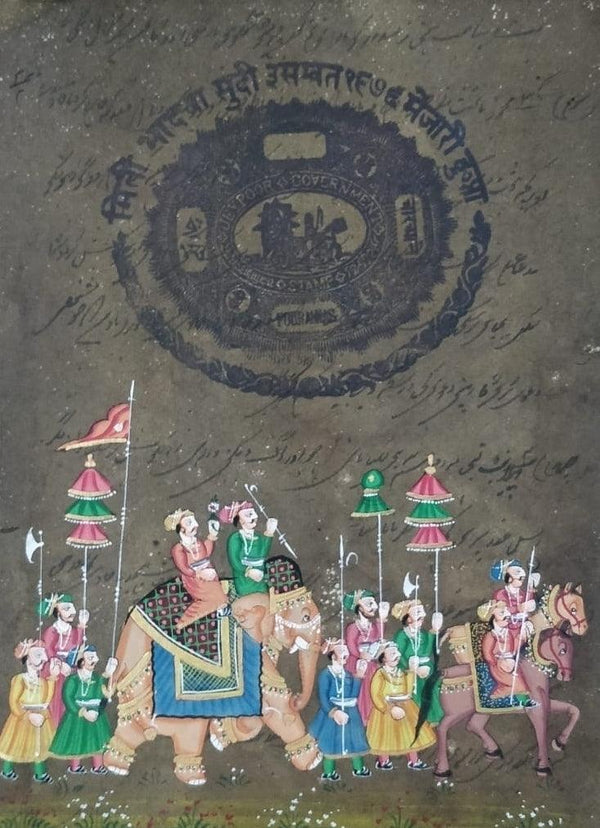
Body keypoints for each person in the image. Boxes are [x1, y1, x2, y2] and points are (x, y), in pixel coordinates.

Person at [366, 641, 436, 771]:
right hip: (386, 709)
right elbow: (375, 695)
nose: (397, 655)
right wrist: (389, 708)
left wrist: (412, 672)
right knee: (385, 735)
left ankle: (414, 760)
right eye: (392, 653)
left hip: (405, 706)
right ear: (383, 658)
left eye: (397, 653)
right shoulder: (380, 674)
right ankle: (383, 760)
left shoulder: (401, 672)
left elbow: (408, 690)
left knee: (410, 733)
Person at [49, 644, 118, 774]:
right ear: (81, 661)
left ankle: (98, 766)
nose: (95, 660)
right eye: (91, 657)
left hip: (95, 713)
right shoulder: (73, 680)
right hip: (77, 715)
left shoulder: (96, 678)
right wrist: (82, 712)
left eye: (95, 657)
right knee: (77, 740)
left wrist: (108, 673)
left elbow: (101, 690)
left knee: (97, 740)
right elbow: (68, 698)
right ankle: (75, 766)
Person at [308, 639, 371, 782]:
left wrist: (358, 677)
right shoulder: (326, 674)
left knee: (354, 740)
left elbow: (353, 694)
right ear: (332, 655)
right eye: (341, 650)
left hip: (350, 711)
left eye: (346, 650)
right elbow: (323, 697)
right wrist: (334, 712)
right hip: (332, 714)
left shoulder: (347, 674)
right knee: (330, 743)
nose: (345, 653)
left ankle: (359, 768)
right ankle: (329, 772)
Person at [0, 639, 60, 783]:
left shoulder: (43, 681)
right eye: (39, 655)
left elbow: (46, 700)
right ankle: (7, 770)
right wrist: (27, 715)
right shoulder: (19, 679)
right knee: (15, 745)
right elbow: (14, 702)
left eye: (44, 655)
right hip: (22, 719)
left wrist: (52, 678)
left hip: (40, 717)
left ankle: (40, 773)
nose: (44, 659)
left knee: (39, 745)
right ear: (27, 658)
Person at [164, 508, 230, 633]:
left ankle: (219, 606)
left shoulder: (197, 542)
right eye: (189, 523)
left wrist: (211, 536)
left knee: (217, 592)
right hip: (194, 579)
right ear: (180, 528)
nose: (196, 525)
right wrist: (198, 574)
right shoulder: (179, 548)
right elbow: (184, 568)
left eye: (194, 521)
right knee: (217, 597)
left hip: (209, 574)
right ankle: (183, 622)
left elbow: (206, 553)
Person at [343, 589, 389, 743]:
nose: (374, 606)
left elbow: (380, 637)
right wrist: (362, 655)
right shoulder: (353, 627)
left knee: (374, 694)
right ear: (359, 607)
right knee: (359, 696)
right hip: (356, 666)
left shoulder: (373, 626)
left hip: (371, 666)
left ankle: (373, 729)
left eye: (374, 603)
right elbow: (351, 646)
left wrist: (382, 618)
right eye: (369, 603)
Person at [392, 598, 444, 728]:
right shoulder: (402, 635)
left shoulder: (423, 634)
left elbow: (427, 651)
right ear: (408, 618)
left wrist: (434, 631)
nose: (423, 615)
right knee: (418, 691)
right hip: (409, 670)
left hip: (426, 667)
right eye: (417, 613)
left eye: (422, 612)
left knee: (433, 688)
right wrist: (412, 668)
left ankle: (435, 717)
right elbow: (399, 655)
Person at [40, 592, 88, 728]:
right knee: (56, 700)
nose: (72, 612)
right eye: (66, 609)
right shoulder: (52, 631)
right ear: (57, 611)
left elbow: (77, 645)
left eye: (72, 608)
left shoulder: (74, 631)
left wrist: (82, 625)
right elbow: (49, 651)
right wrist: (60, 665)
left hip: (70, 669)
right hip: (54, 671)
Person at [478, 600, 535, 705]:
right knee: (517, 683)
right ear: (493, 616)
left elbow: (513, 647)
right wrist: (498, 663)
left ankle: (524, 700)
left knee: (522, 680)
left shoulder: (508, 633)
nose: (506, 616)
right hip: (498, 666)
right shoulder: (491, 635)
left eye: (505, 612)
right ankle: (497, 694)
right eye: (501, 613)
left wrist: (522, 636)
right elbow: (487, 653)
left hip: (511, 662)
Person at [221, 501, 277, 597]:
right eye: (249, 515)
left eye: (254, 513)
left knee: (265, 596)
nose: (254, 517)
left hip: (260, 577)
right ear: (240, 520)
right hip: (244, 578)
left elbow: (263, 552)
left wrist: (269, 532)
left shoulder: (258, 536)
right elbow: (235, 561)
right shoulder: (236, 538)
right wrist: (248, 571)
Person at [489, 558, 540, 634]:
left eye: (521, 571)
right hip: (510, 632)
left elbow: (531, 605)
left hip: (528, 626)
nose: (523, 574)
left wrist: (531, 589)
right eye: (517, 572)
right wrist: (519, 608)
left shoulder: (522, 593)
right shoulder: (500, 594)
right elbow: (502, 612)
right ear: (508, 578)